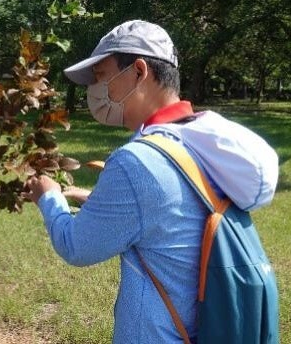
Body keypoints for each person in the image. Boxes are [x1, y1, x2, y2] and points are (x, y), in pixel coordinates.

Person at [24, 20, 278, 343]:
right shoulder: (196, 142)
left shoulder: (137, 161)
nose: (99, 92)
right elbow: (174, 214)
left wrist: (48, 197)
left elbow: (77, 245)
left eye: (103, 78)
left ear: (139, 72)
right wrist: (96, 199)